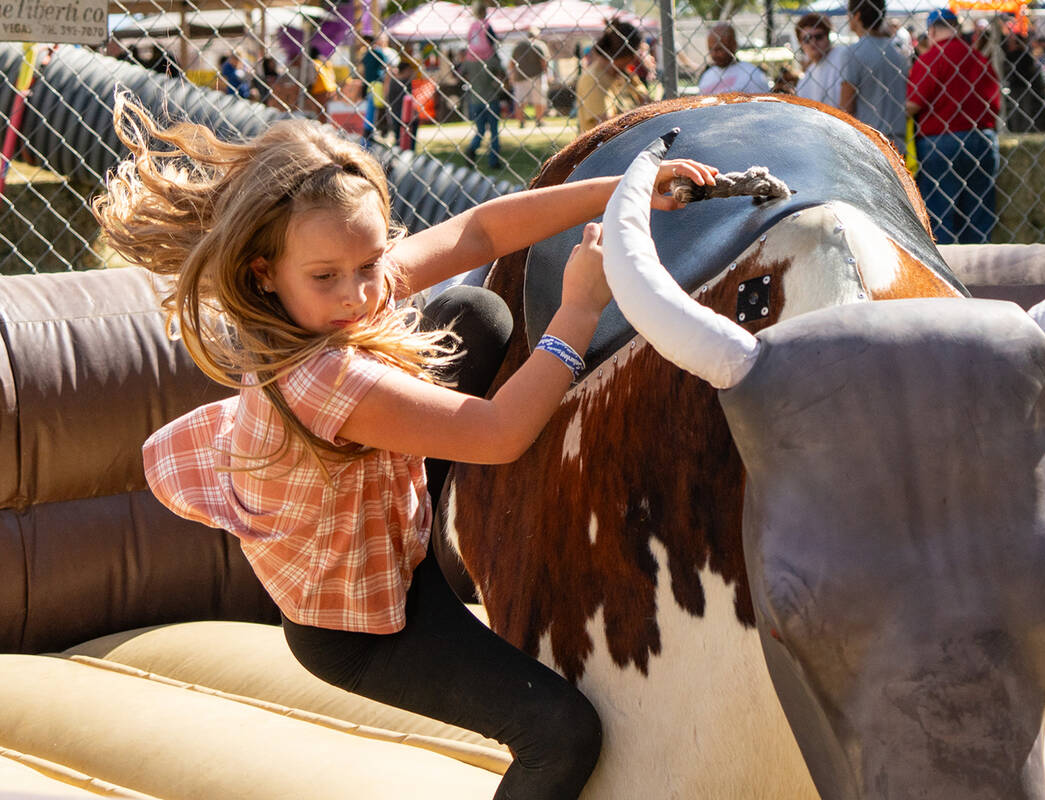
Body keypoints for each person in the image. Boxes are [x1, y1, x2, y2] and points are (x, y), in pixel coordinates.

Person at [94, 93, 719, 800]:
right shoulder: (319, 378)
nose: (360, 293)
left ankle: (462, 515)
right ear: (263, 271)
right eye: (327, 275)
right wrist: (578, 308)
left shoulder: (339, 286)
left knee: (472, 311)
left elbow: (479, 232)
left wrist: (624, 190)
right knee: (561, 735)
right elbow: (499, 435)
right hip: (366, 623)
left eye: (369, 261)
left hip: (382, 526)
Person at [906, 8, 1001, 244]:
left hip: (941, 141)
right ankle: (979, 272)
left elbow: (913, 104)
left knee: (940, 217)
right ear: (956, 27)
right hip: (982, 138)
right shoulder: (978, 58)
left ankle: (946, 273)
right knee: (979, 216)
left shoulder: (931, 59)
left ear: (932, 30)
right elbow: (995, 102)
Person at [839, 0, 909, 154]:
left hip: (868, 143)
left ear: (856, 16)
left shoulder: (853, 53)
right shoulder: (897, 53)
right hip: (897, 143)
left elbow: (846, 107)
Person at [575, 19, 648, 134]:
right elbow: (607, 128)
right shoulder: (592, 79)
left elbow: (649, 102)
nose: (636, 58)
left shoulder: (624, 74)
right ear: (627, 54)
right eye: (636, 53)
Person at [461, 0, 506, 167]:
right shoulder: (492, 61)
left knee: (480, 130)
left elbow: (461, 73)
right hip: (490, 96)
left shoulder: (469, 59)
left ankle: (472, 150)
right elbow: (502, 72)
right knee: (493, 131)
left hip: (475, 98)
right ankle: (493, 161)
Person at [697, 23, 770, 95]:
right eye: (710, 49)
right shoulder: (707, 75)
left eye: (719, 49)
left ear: (733, 45)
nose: (714, 54)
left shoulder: (752, 73)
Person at [793, 13, 844, 106]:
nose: (813, 42)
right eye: (807, 39)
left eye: (818, 36)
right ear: (800, 43)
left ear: (828, 36)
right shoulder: (806, 79)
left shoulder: (843, 56)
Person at [508, 26, 551, 127]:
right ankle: (539, 120)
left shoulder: (518, 46)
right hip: (536, 76)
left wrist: (512, 76)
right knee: (539, 100)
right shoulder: (539, 45)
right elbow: (544, 62)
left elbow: (511, 63)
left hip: (520, 77)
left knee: (520, 101)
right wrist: (548, 75)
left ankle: (521, 122)